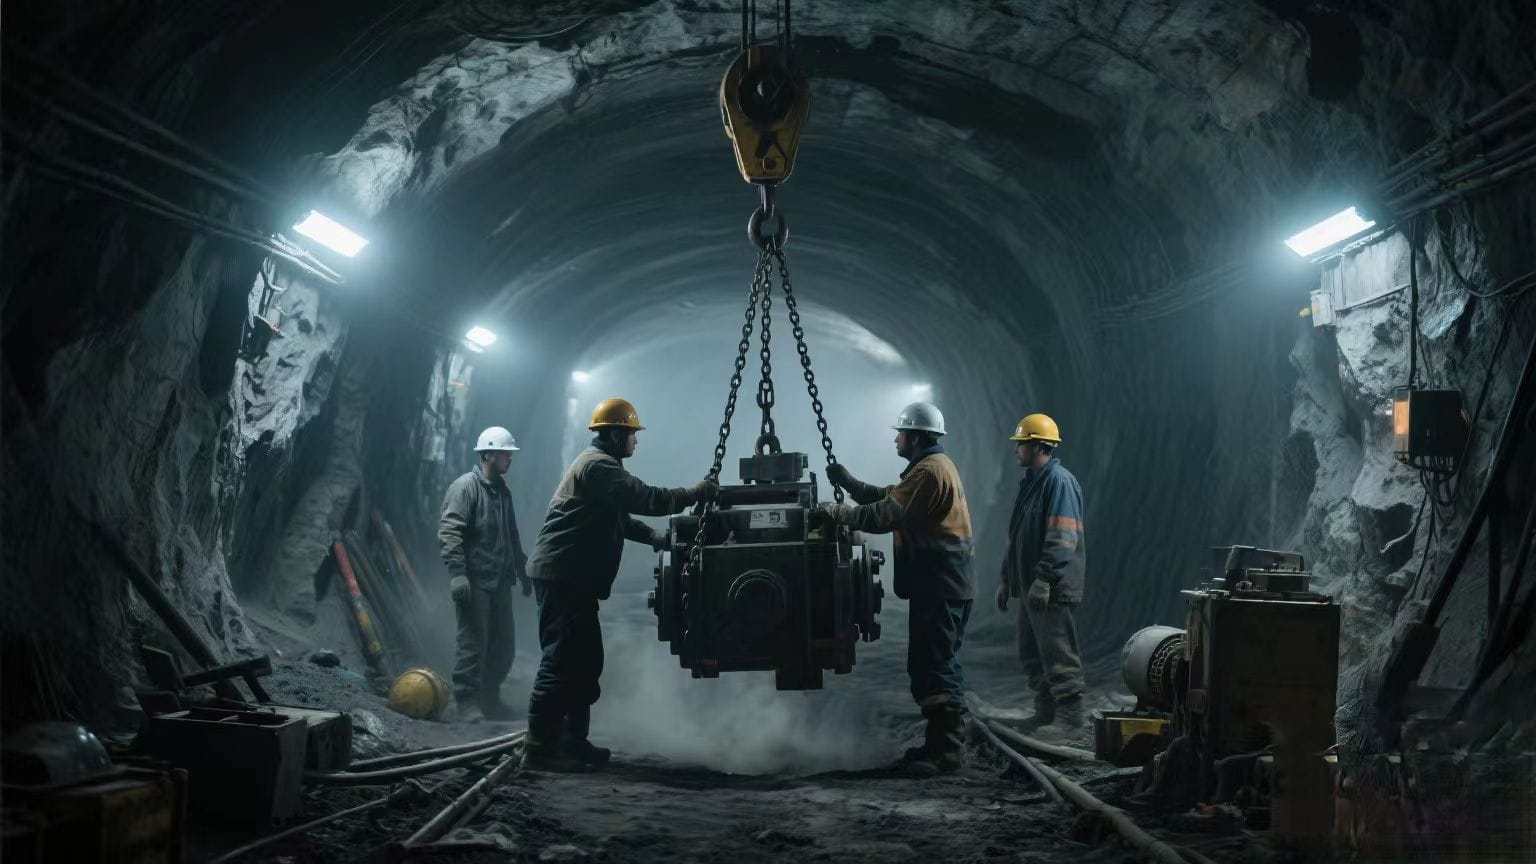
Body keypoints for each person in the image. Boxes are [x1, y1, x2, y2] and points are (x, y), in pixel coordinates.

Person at [521, 397, 717, 769]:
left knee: (584, 661)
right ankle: (539, 748)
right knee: (561, 661)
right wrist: (695, 492)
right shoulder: (598, 468)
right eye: (631, 435)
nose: (636, 442)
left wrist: (657, 539)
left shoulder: (599, 467)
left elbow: (621, 520)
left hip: (572, 577)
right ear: (613, 435)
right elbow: (648, 498)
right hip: (563, 576)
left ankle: (572, 741)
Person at [822, 402, 975, 773]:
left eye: (901, 432)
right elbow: (892, 497)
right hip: (942, 582)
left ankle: (948, 752)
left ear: (917, 437)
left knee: (935, 666)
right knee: (931, 664)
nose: (896, 438)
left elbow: (887, 514)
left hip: (939, 584)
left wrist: (839, 512)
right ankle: (940, 746)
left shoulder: (929, 472)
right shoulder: (930, 468)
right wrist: (850, 484)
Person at [995, 413, 1087, 739]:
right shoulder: (1032, 484)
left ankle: (1072, 721)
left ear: (1037, 445)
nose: (1016, 449)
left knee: (1058, 653)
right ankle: (1045, 712)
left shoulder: (1058, 482)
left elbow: (1063, 538)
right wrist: (1008, 579)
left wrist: (1045, 579)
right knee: (1031, 652)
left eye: (1020, 443)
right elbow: (1016, 536)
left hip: (1052, 588)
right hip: (1032, 588)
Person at [438, 425, 532, 722]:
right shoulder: (465, 487)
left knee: (503, 648)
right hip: (475, 581)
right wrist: (457, 573)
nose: (510, 459)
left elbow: (511, 535)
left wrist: (522, 568)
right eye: (506, 453)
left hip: (500, 582)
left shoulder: (503, 492)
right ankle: (466, 702)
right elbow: (450, 530)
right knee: (473, 644)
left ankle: (490, 699)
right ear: (489, 453)